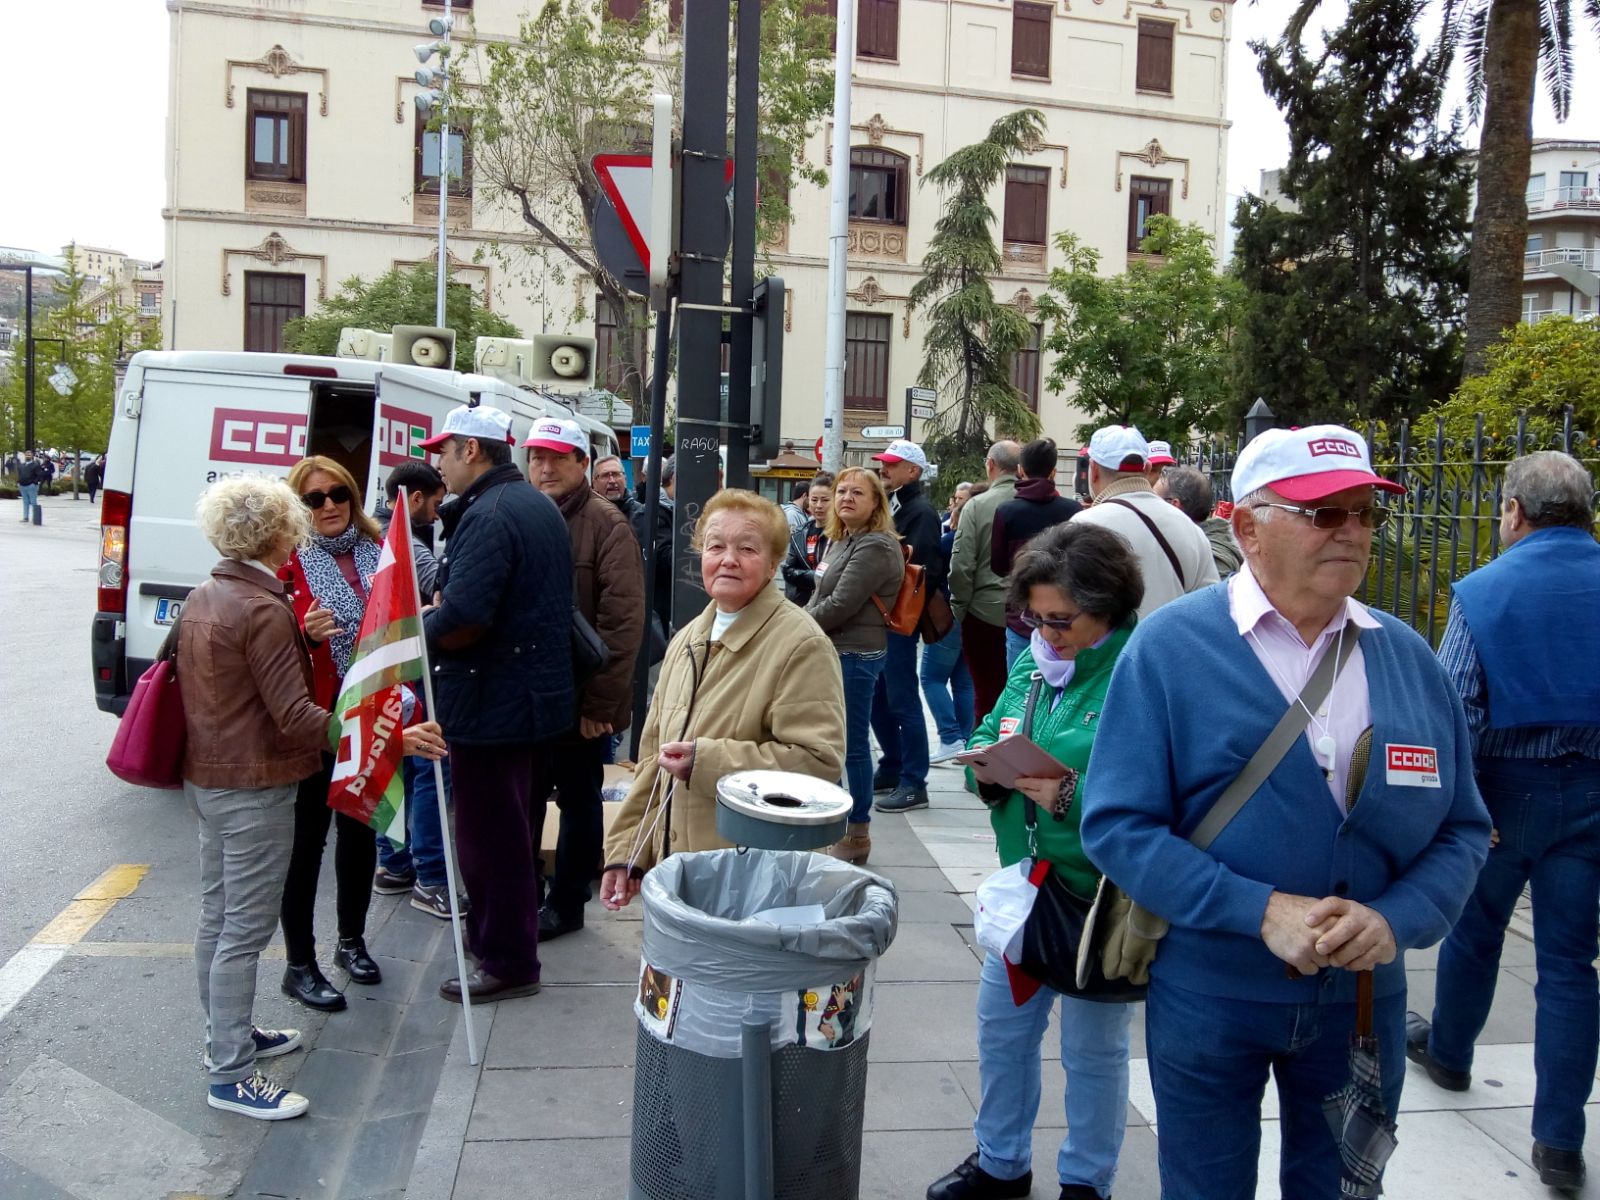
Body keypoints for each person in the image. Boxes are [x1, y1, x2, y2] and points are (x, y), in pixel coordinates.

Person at [1080, 424, 1491, 1200]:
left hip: (1361, 1005)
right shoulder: (1171, 648)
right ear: (1245, 527)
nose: (1351, 530)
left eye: (1364, 510)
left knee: (1339, 1190)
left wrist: (1396, 920)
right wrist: (1258, 911)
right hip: (1213, 993)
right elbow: (1117, 825)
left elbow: (1464, 827)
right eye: (1321, 512)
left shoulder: (1408, 659)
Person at [181, 476, 444, 1120]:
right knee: (241, 929)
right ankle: (230, 1073)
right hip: (254, 782)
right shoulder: (264, 606)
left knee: (219, 919)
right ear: (279, 533)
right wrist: (391, 742)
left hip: (212, 778)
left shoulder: (208, 593)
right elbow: (297, 713)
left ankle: (228, 1039)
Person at [928, 522, 1144, 1200]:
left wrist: (1070, 796)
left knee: (1093, 1051)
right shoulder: (1034, 661)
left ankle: (1086, 1182)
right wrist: (988, 772)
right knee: (1003, 1030)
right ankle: (1000, 1164)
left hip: (1100, 898)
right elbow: (993, 733)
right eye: (1034, 619)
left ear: (1107, 607)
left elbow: (1157, 796)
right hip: (1027, 887)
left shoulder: (1141, 670)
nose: (1045, 635)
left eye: (1061, 621)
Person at [1406, 451, 1600, 1191]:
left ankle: (1451, 1052)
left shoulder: (1485, 592)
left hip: (1505, 789)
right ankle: (1559, 1139)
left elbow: (1456, 709)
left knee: (1477, 927)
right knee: (1569, 964)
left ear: (1515, 510)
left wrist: (1464, 805)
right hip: (1590, 792)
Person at [600, 491, 846, 908]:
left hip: (755, 882)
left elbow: (818, 762)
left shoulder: (801, 644)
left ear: (772, 564)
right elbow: (650, 765)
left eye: (746, 548)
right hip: (679, 874)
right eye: (716, 546)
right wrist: (627, 853)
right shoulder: (687, 640)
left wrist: (707, 762)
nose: (728, 558)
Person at [420, 404, 575, 1002]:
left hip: (494, 702)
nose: (438, 462)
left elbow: (466, 619)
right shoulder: (528, 504)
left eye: (445, 450)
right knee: (512, 832)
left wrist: (420, 627)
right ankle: (499, 941)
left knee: (492, 841)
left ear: (473, 452)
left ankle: (507, 961)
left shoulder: (491, 512)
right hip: (523, 699)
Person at [522, 418, 645, 940]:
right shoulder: (523, 514)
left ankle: (568, 902)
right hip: (527, 696)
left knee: (577, 798)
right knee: (525, 797)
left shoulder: (606, 523)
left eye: (558, 457)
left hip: (578, 701)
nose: (546, 468)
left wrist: (600, 705)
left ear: (582, 464)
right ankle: (524, 894)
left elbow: (622, 624)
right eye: (537, 458)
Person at [277, 456, 388, 1011]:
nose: (329, 505)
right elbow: (266, 658)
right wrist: (305, 636)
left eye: (338, 493)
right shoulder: (286, 565)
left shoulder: (382, 555)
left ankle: (351, 940)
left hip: (373, 716)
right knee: (306, 846)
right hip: (314, 723)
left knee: (360, 836)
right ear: (299, 507)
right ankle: (299, 963)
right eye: (314, 498)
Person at [372, 460, 460, 918]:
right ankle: (429, 876)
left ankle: (393, 863)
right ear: (416, 497)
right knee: (428, 767)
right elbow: (438, 584)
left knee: (392, 766)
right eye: (437, 501)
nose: (439, 511)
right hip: (406, 670)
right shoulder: (399, 536)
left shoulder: (375, 530)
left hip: (383, 670)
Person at [806, 468, 905, 864]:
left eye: (857, 493)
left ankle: (858, 831)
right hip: (836, 650)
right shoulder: (845, 539)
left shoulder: (876, 546)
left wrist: (792, 625)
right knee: (836, 741)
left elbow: (840, 605)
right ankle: (834, 820)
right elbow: (822, 594)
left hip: (855, 654)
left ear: (876, 503)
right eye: (841, 491)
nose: (846, 497)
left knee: (852, 744)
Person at [871, 439, 946, 814]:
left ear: (912, 472)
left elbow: (922, 572)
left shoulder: (919, 512)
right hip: (887, 618)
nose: (885, 469)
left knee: (900, 699)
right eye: (885, 463)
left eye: (892, 464)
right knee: (879, 698)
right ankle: (895, 764)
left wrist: (902, 616)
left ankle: (914, 780)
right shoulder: (901, 506)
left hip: (897, 620)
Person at [1072, 425, 1218, 616]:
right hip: (1172, 644)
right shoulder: (1189, 528)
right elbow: (1210, 607)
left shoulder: (1081, 526)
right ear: (1147, 468)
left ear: (1094, 469)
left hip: (1110, 646)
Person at [991, 438, 1082, 669]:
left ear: (1020, 470)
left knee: (1020, 690)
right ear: (1053, 472)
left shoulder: (1007, 512)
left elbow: (999, 565)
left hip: (1021, 615)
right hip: (1064, 616)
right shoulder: (1073, 510)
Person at [951, 441, 1022, 721]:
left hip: (983, 612)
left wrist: (960, 607)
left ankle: (983, 757)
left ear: (990, 465)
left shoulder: (977, 505)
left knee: (986, 696)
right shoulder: (1031, 503)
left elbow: (961, 565)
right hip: (1027, 614)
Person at [924, 483, 981, 764]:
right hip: (975, 615)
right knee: (963, 681)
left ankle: (949, 737)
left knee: (931, 677)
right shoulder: (985, 540)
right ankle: (966, 741)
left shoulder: (951, 542)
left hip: (949, 615)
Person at [1156, 464, 1242, 578]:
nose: (1150, 505)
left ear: (1174, 505)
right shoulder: (1196, 542)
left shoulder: (1213, 556)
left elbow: (1214, 593)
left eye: (1154, 499)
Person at [632, 455, 677, 642]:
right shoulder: (652, 513)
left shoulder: (674, 509)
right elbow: (663, 557)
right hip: (660, 615)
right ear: (675, 478)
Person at [781, 472, 833, 606]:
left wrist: (804, 576)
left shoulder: (843, 534)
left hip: (828, 606)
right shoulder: (799, 532)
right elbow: (788, 571)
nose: (819, 505)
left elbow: (837, 577)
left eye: (825, 500)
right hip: (800, 604)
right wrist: (818, 576)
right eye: (814, 500)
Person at [594, 454, 644, 525]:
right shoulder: (585, 516)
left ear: (625, 479)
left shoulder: (642, 515)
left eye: (616, 474)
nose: (612, 481)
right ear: (594, 483)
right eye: (605, 475)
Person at [17, 450, 42, 523]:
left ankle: (35, 518)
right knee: (25, 502)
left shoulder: (36, 465)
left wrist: (34, 483)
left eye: (29, 454)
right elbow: (20, 474)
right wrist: (18, 482)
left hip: (31, 486)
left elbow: (39, 475)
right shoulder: (21, 465)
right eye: (27, 454)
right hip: (22, 486)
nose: (28, 456)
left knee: (33, 502)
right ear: (25, 455)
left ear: (32, 456)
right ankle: (25, 517)